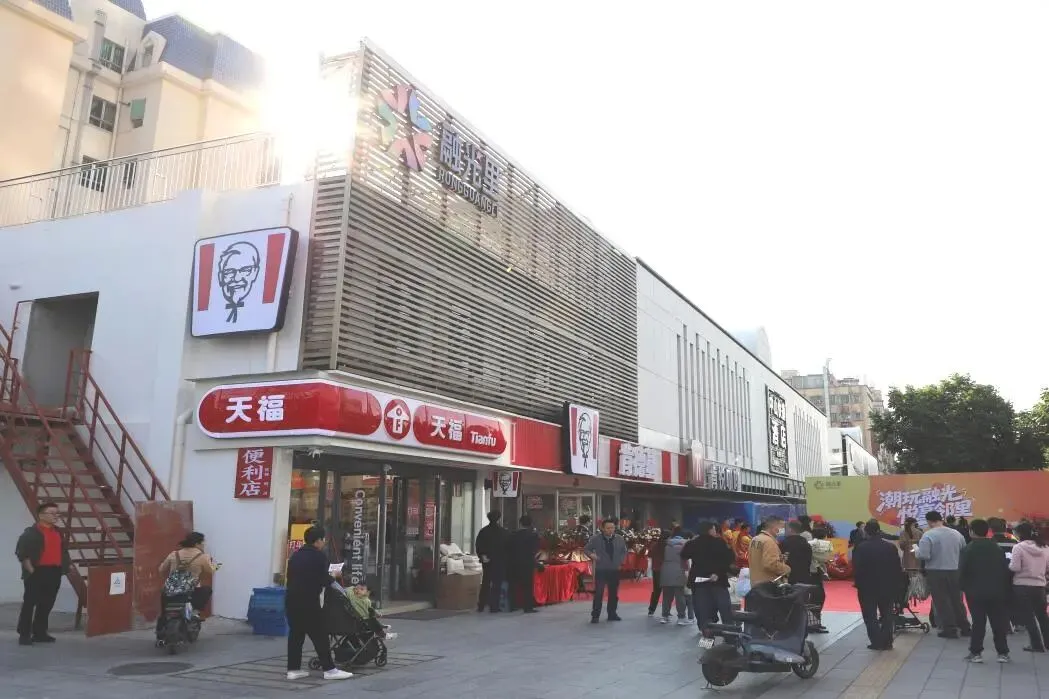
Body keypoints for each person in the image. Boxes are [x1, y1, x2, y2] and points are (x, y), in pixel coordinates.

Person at [285, 526, 352, 681]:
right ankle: (329, 670)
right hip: (309, 602)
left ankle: (293, 670)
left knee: (296, 636)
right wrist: (334, 576)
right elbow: (324, 579)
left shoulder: (296, 555)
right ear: (318, 540)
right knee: (320, 635)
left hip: (292, 601)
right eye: (323, 539)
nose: (324, 542)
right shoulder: (319, 556)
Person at [15, 502, 70, 646]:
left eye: (57, 513)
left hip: (54, 571)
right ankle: (24, 634)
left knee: (46, 603)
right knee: (29, 604)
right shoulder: (31, 533)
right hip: (37, 571)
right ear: (41, 515)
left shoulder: (58, 532)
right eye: (52, 513)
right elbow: (23, 554)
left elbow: (63, 550)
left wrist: (64, 566)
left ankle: (39, 632)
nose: (56, 516)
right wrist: (31, 571)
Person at [959, 519, 1010, 663]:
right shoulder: (996, 548)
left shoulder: (968, 549)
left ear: (971, 531)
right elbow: (1004, 569)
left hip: (975, 591)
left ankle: (976, 653)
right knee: (998, 622)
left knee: (978, 622)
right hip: (996, 591)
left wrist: (963, 587)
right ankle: (1003, 653)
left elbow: (962, 571)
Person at [917, 511, 970, 639]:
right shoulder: (956, 534)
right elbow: (963, 550)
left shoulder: (928, 535)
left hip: (936, 571)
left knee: (942, 601)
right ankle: (965, 627)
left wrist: (916, 550)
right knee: (957, 600)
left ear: (929, 521)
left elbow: (924, 555)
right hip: (955, 570)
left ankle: (950, 629)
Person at [852, 519, 903, 650]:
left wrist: (858, 583)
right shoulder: (890, 547)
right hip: (888, 585)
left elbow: (857, 568)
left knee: (870, 616)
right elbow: (897, 568)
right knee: (887, 614)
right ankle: (887, 641)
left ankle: (876, 641)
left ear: (866, 532)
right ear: (879, 531)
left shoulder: (861, 548)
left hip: (867, 587)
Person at [157, 532, 217, 635]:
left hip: (170, 592)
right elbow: (210, 571)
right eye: (202, 543)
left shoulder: (174, 554)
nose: (203, 545)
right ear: (197, 544)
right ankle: (195, 611)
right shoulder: (203, 557)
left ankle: (160, 632)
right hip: (190, 592)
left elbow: (161, 569)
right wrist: (216, 566)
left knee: (164, 612)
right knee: (207, 590)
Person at [682, 521, 735, 631]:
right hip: (718, 581)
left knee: (702, 609)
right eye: (714, 529)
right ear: (710, 530)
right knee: (724, 608)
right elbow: (729, 559)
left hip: (699, 582)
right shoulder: (719, 542)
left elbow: (684, 555)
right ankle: (729, 633)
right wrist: (718, 573)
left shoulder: (693, 543)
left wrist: (692, 541)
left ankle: (707, 634)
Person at [1008, 522, 1049, 653]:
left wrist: (1008, 565)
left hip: (1022, 586)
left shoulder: (1018, 547)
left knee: (1028, 617)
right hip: (1040, 586)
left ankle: (1036, 644)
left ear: (1020, 534)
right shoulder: (1045, 547)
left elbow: (1015, 567)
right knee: (1043, 616)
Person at [584, 518, 627, 623]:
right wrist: (592, 555)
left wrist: (620, 562)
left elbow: (624, 551)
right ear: (602, 528)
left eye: (612, 528)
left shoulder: (619, 539)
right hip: (601, 569)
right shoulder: (596, 539)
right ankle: (595, 615)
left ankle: (612, 614)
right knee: (599, 593)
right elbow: (586, 549)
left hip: (614, 570)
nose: (610, 530)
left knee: (613, 593)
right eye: (608, 528)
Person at [507, 515, 541, 614]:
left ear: (520, 523)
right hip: (527, 564)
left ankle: (512, 605)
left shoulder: (513, 535)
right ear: (530, 524)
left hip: (513, 563)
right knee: (527, 586)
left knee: (513, 585)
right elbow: (534, 551)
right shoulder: (533, 535)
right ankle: (527, 607)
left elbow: (508, 549)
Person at [474, 511, 506, 613]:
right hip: (499, 560)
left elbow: (478, 545)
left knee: (486, 582)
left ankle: (481, 605)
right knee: (497, 583)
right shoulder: (503, 532)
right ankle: (494, 606)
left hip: (487, 560)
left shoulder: (484, 531)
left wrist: (482, 556)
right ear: (499, 519)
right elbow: (506, 547)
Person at [658, 529, 690, 625]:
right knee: (680, 596)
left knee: (666, 596)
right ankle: (681, 617)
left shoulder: (665, 545)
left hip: (666, 572)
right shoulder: (684, 546)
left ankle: (665, 616)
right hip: (679, 571)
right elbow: (685, 561)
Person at [748, 517, 790, 585]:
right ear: (774, 528)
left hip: (755, 582)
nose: (783, 530)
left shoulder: (755, 539)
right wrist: (786, 569)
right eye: (782, 527)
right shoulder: (769, 541)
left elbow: (757, 558)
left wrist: (779, 558)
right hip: (768, 584)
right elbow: (771, 564)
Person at [808, 526, 833, 633]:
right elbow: (826, 558)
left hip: (814, 573)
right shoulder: (824, 545)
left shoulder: (809, 545)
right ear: (825, 536)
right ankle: (813, 624)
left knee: (816, 598)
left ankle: (815, 623)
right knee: (817, 598)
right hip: (814, 573)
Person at [647, 529, 670, 617]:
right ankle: (666, 611)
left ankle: (651, 610)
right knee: (667, 592)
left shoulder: (655, 545)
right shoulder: (668, 546)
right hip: (666, 570)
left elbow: (649, 554)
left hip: (656, 570)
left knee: (656, 591)